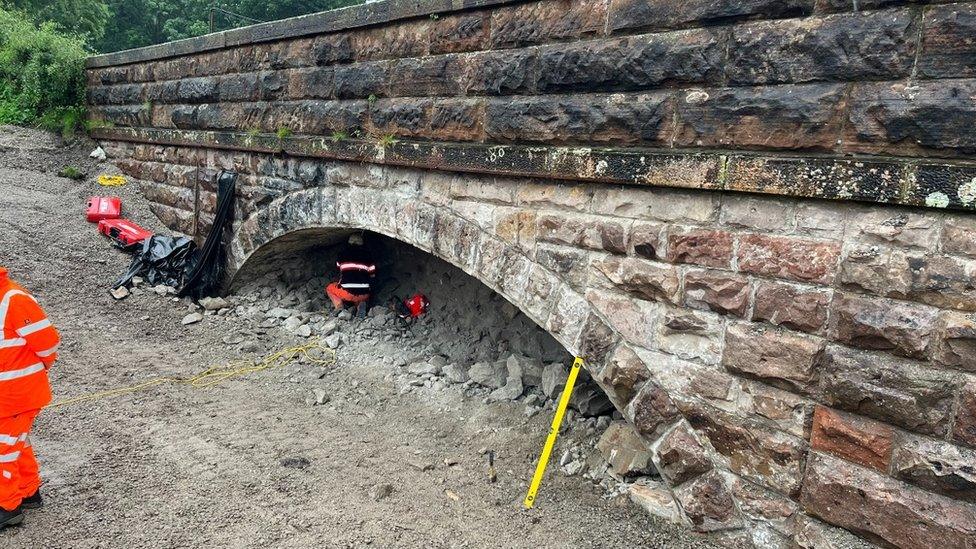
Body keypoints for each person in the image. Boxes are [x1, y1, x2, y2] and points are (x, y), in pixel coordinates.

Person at [0, 266, 59, 529]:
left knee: (3, 450)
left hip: (15, 395)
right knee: (15, 443)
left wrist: (30, 374)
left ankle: (7, 506)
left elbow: (48, 344)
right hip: (10, 394)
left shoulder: (14, 299)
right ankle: (27, 491)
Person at [326, 234, 376, 318]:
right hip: (364, 295)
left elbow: (340, 269)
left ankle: (339, 306)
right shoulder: (368, 256)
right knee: (361, 293)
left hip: (346, 294)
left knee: (329, 288)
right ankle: (360, 305)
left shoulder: (341, 255)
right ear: (362, 244)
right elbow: (373, 275)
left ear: (349, 243)